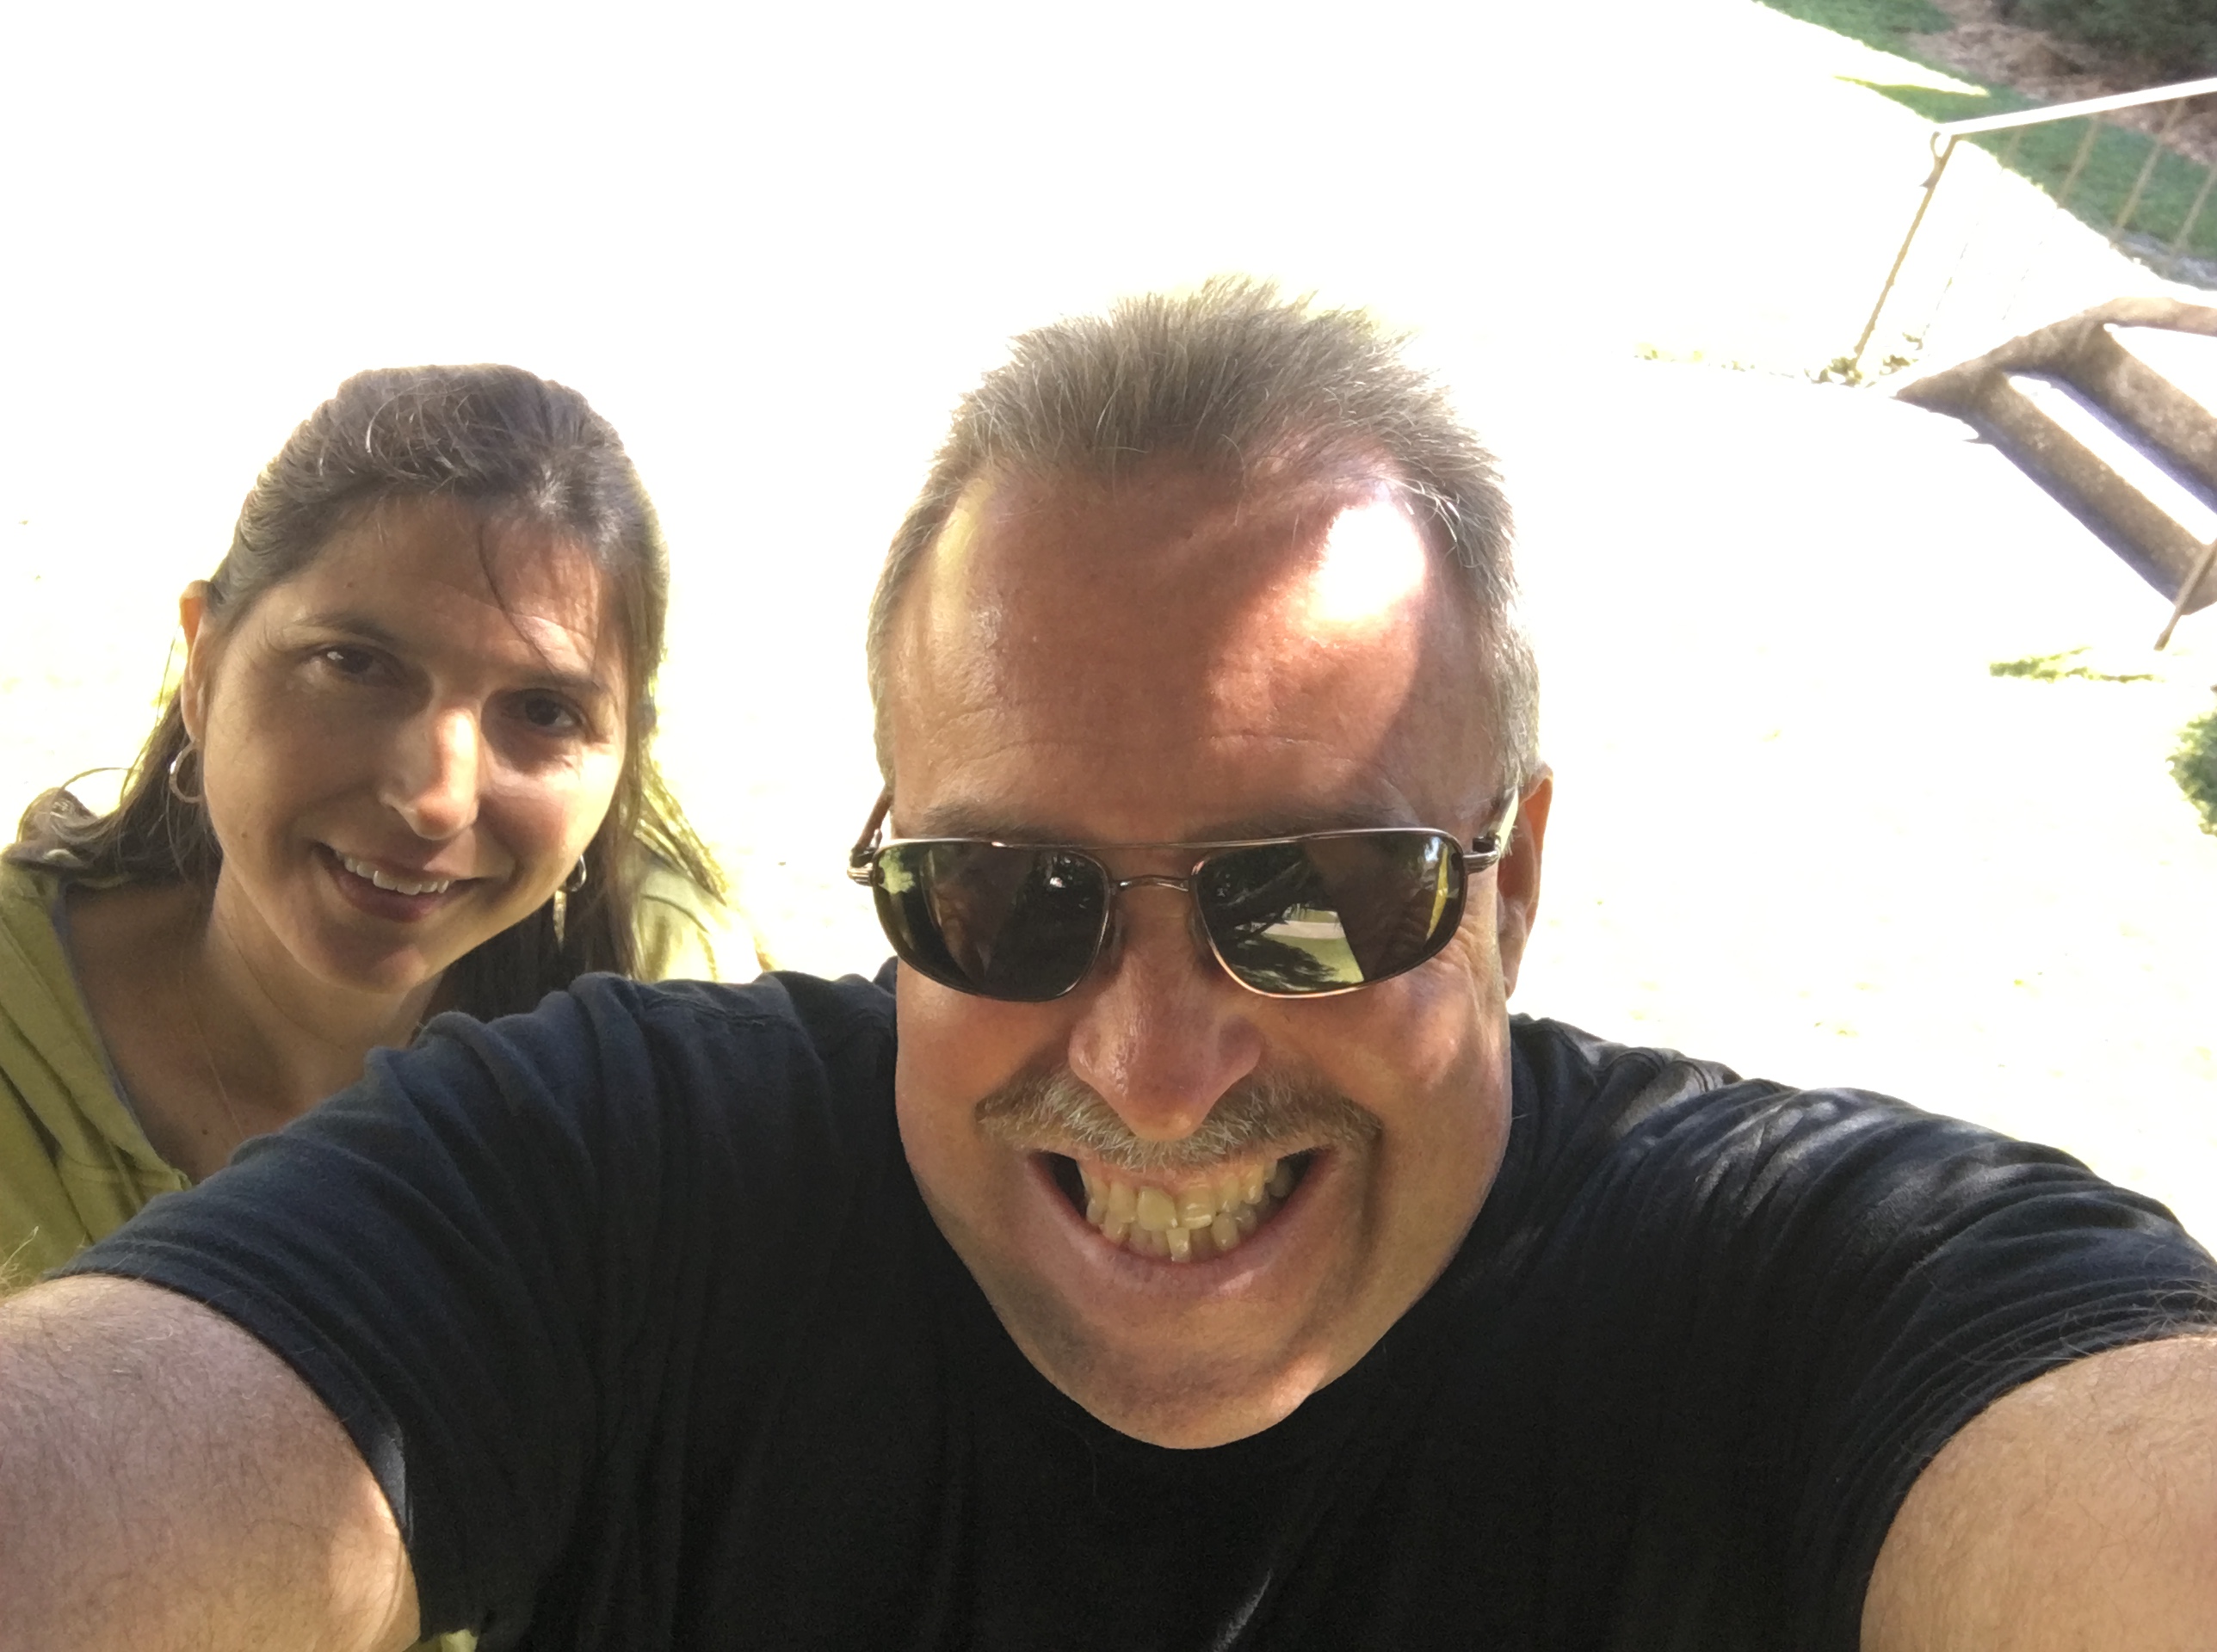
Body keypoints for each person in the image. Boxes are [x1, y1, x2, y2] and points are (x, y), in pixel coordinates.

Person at [3, 283, 2214, 1651]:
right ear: (889, 868)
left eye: (1317, 893)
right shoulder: (616, 1176)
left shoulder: (1809, 1294)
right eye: (1011, 898)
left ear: (1512, 882)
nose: (1157, 1068)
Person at [0, 362, 755, 1290]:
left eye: (544, 711)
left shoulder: (673, 1007)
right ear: (204, 665)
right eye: (354, 665)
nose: (436, 797)